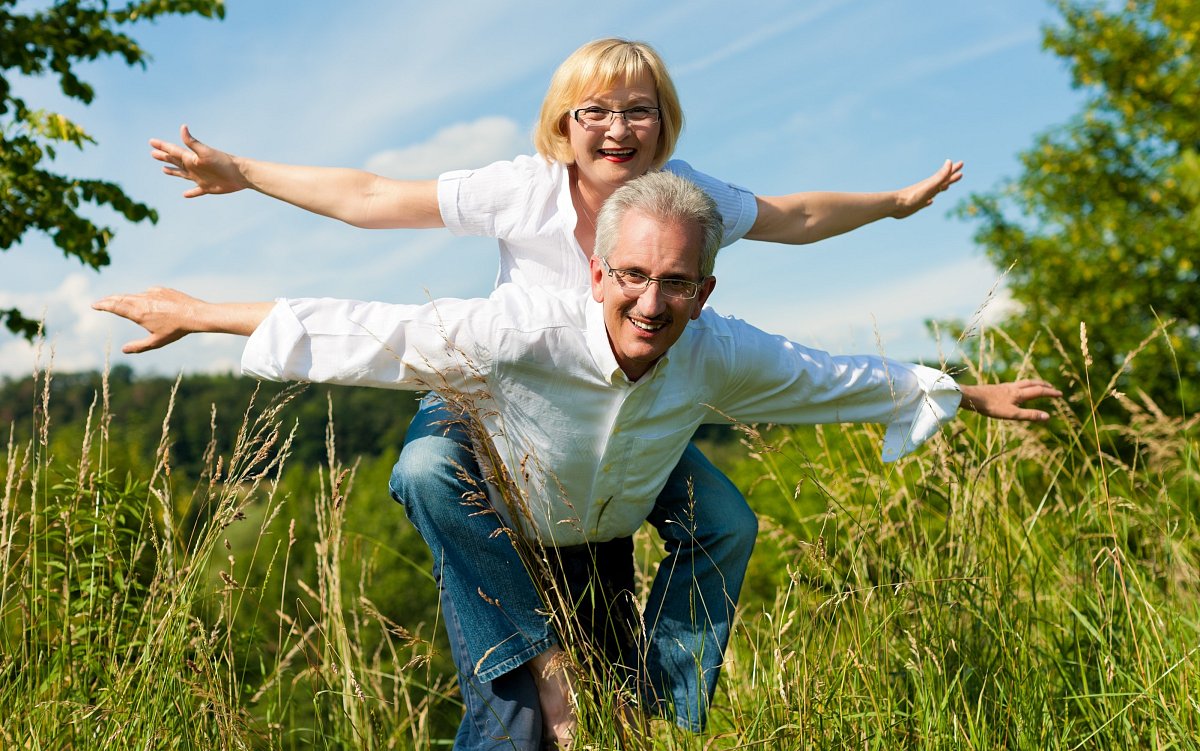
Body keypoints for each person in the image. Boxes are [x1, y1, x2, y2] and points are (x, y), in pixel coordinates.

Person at [96, 171, 1060, 750]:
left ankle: (664, 711)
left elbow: (829, 376)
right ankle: (542, 660)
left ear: (705, 289)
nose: (651, 302)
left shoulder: (721, 350)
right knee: (520, 723)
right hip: (502, 542)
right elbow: (367, 330)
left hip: (598, 538)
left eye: (675, 283)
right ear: (596, 273)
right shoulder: (523, 330)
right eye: (632, 276)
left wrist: (965, 392)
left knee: (631, 700)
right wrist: (199, 314)